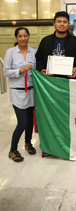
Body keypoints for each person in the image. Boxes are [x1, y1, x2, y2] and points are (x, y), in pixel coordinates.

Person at [3, 27, 37, 162]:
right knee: (22, 122)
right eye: (20, 36)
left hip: (31, 91)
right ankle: (12, 150)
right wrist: (21, 70)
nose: (23, 38)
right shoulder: (10, 52)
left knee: (29, 122)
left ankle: (28, 143)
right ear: (16, 38)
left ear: (29, 37)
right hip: (17, 92)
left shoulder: (34, 52)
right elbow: (6, 71)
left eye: (25, 36)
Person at [36, 11, 76, 79]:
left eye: (65, 22)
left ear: (68, 24)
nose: (62, 24)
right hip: (49, 81)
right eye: (59, 21)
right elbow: (39, 58)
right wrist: (41, 69)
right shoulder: (45, 41)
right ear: (54, 24)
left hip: (69, 82)